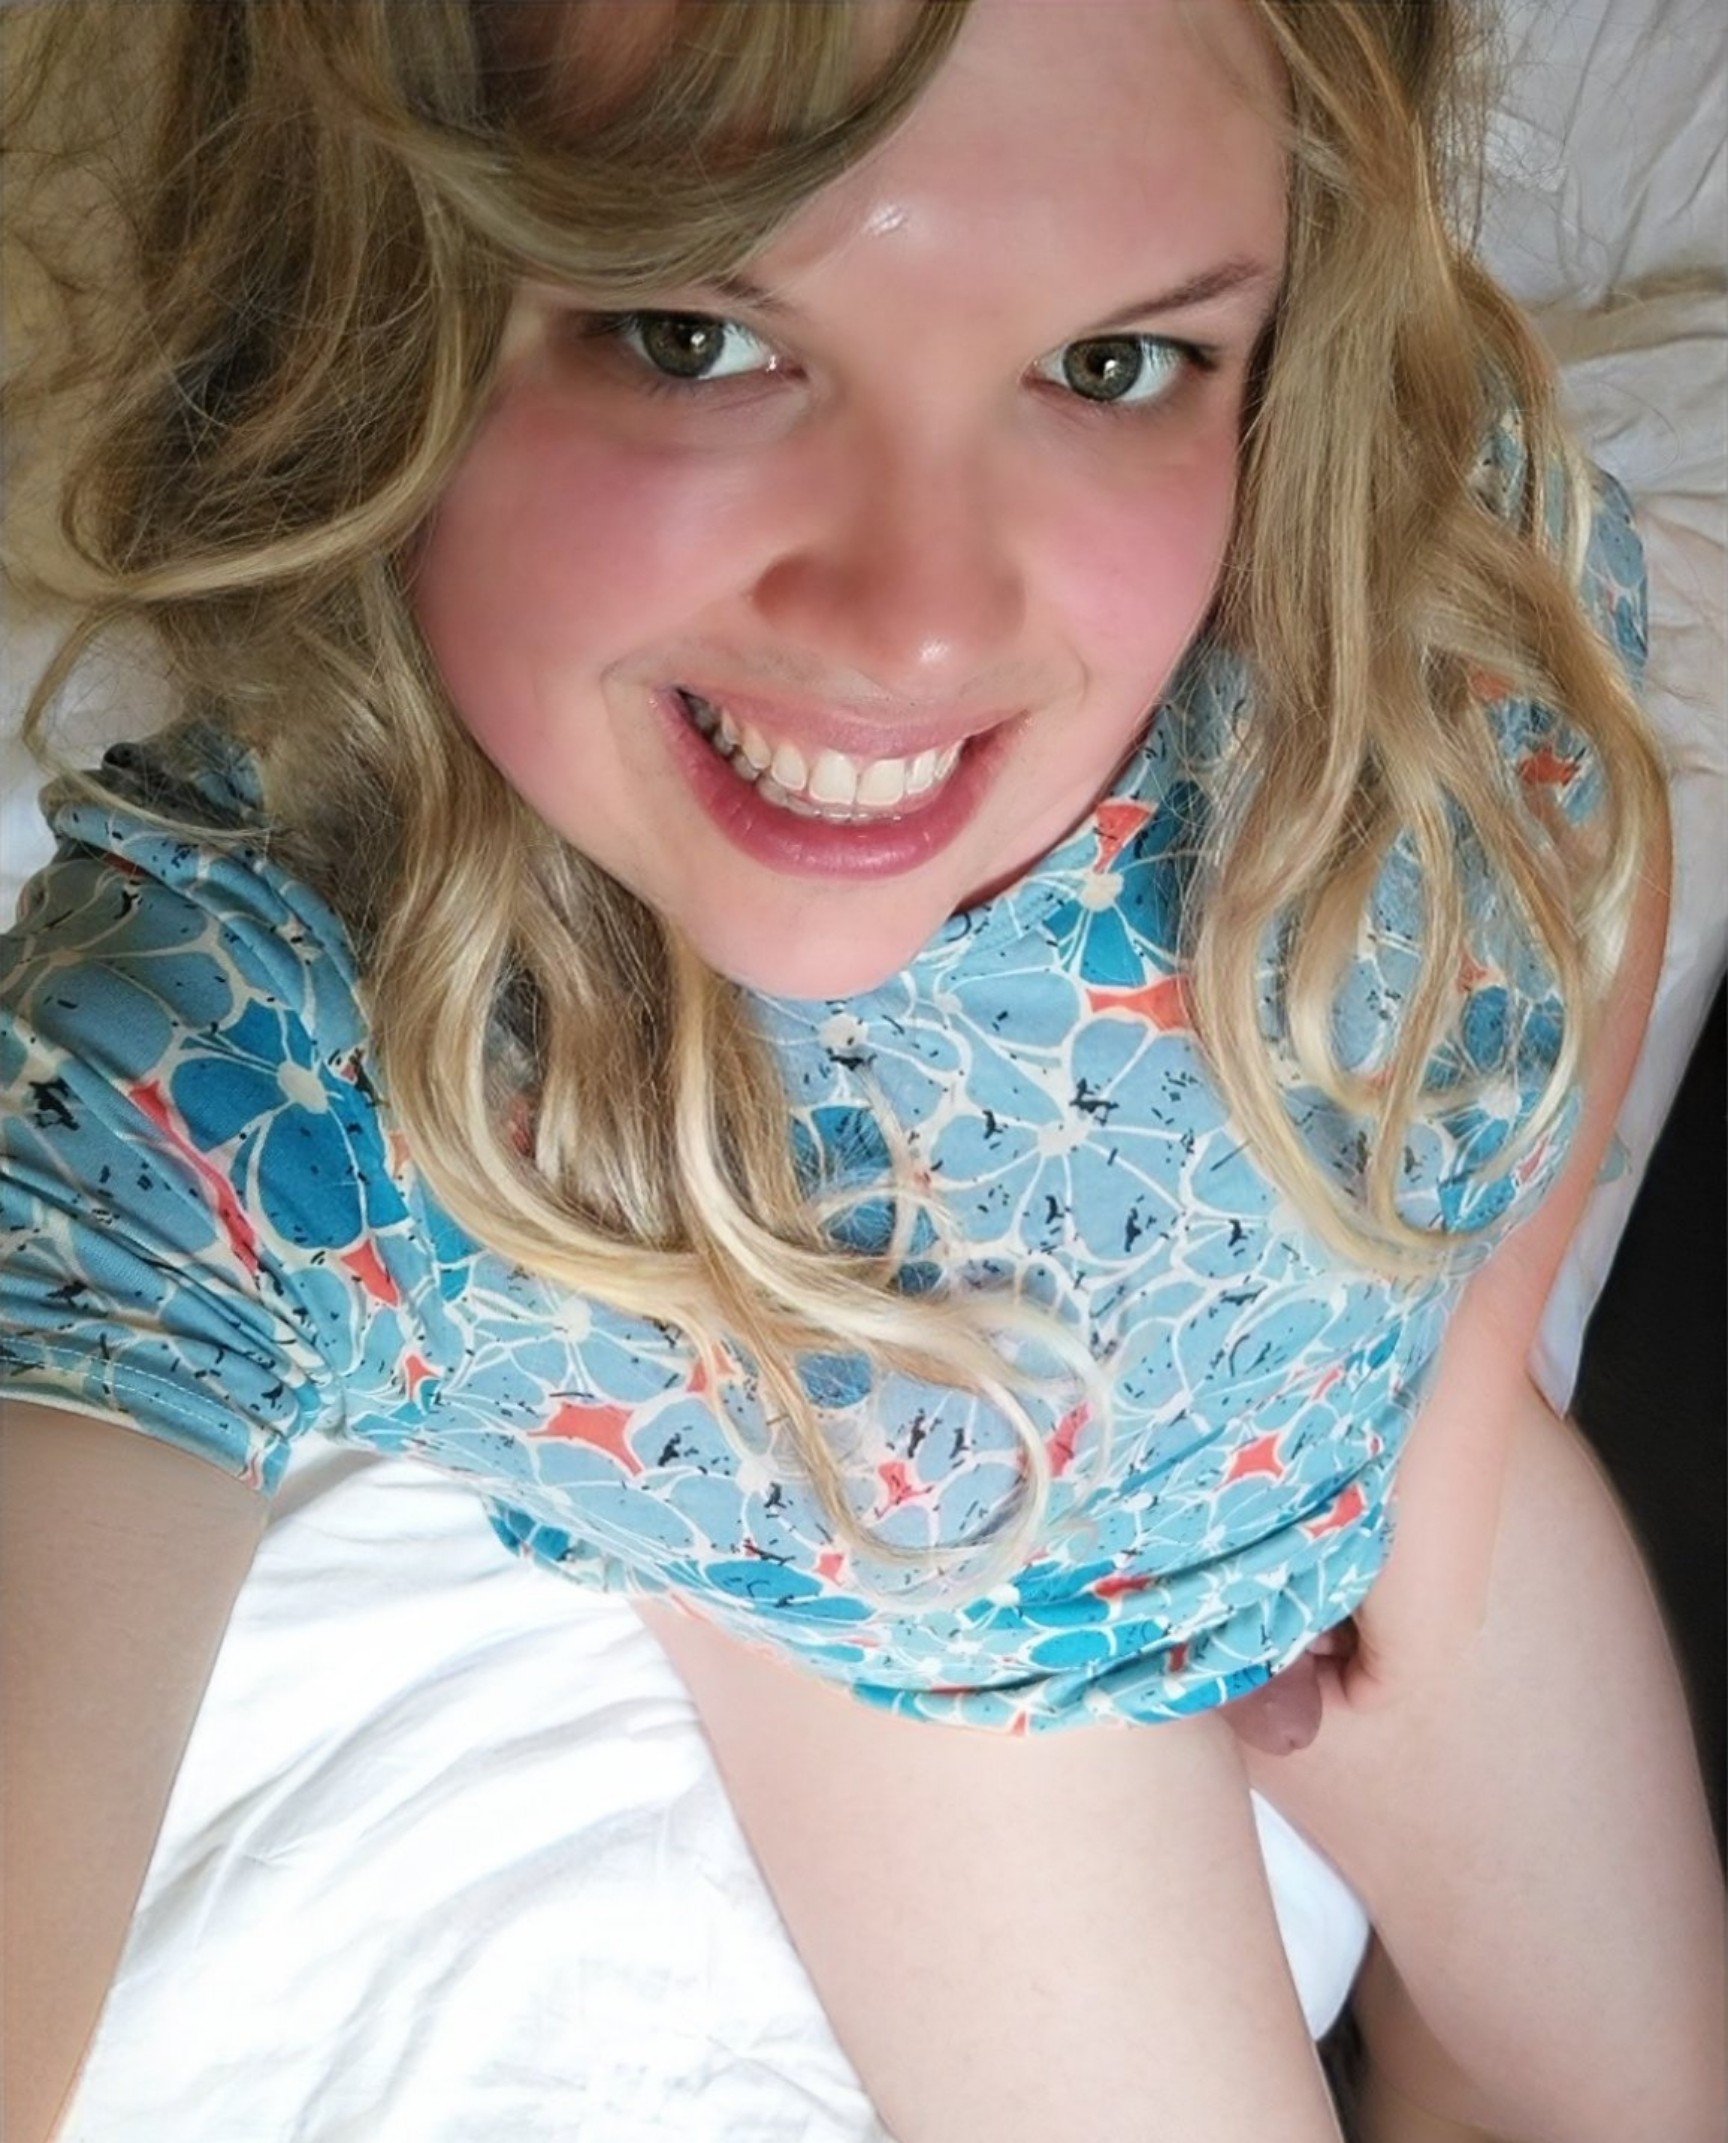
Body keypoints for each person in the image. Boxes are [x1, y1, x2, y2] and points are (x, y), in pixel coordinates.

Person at [1, 3, 1720, 2139]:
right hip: (921, 1652)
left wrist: (1442, 1452)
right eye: (696, 340)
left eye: (1112, 363)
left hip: (1385, 1487)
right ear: (357, 316)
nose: (915, 629)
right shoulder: (252, 1034)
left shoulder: (1357, 562)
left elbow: (1561, 839)